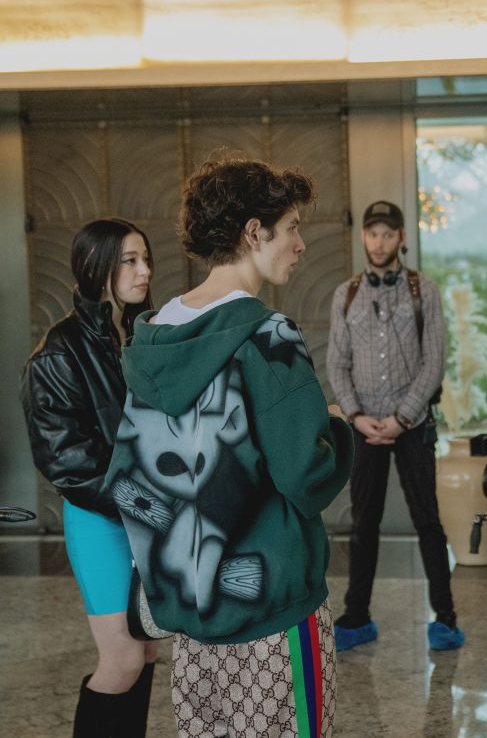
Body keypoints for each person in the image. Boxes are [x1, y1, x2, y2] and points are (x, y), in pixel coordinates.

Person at [100, 158, 354, 737]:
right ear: (252, 233)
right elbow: (306, 474)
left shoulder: (157, 333)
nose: (300, 243)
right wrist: (335, 426)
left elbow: (131, 474)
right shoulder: (267, 335)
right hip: (272, 612)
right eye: (290, 226)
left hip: (193, 619)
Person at [21, 219, 158, 737]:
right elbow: (66, 463)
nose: (144, 270)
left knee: (145, 651)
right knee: (122, 658)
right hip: (103, 519)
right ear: (95, 267)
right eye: (129, 260)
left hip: (151, 517)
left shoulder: (146, 334)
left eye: (145, 258)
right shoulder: (60, 350)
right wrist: (141, 502)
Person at [326, 200, 463, 652]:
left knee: (428, 521)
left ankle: (444, 617)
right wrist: (358, 415)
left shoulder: (425, 290)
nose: (380, 241)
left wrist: (402, 418)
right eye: (372, 233)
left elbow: (434, 361)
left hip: (413, 424)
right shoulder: (345, 294)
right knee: (364, 522)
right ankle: (356, 615)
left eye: (388, 233)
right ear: (363, 237)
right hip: (364, 427)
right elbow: (336, 363)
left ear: (402, 237)